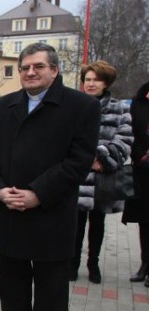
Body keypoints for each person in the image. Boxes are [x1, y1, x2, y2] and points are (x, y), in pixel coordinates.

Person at [0, 43, 100, 311]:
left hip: (51, 211)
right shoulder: (4, 106)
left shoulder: (81, 107)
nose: (30, 72)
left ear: (54, 70)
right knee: (12, 276)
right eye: (25, 67)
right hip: (8, 209)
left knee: (50, 281)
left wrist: (37, 193)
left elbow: (79, 161)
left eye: (38, 67)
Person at [72, 61, 133, 283]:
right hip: (77, 176)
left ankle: (93, 263)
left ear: (105, 82)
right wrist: (84, 160)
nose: (90, 84)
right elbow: (63, 138)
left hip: (102, 177)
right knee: (75, 224)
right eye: (87, 79)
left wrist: (103, 158)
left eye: (95, 80)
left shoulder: (120, 108)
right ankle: (73, 263)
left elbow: (125, 138)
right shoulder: (74, 106)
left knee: (97, 224)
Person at [122, 81, 149, 284]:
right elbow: (130, 133)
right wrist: (140, 155)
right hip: (143, 169)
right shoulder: (140, 100)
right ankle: (145, 264)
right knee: (145, 220)